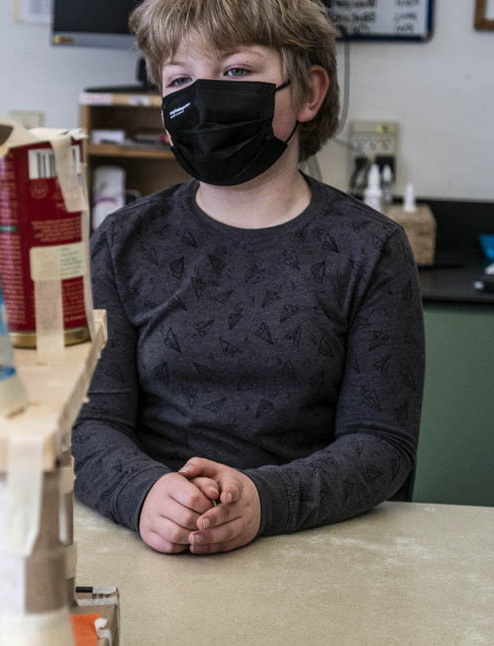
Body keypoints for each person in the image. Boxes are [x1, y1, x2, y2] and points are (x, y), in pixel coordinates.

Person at [72, 0, 426, 555]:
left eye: (237, 72)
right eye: (181, 79)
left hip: (313, 546)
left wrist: (264, 500)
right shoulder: (123, 242)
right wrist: (143, 493)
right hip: (151, 543)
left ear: (308, 93)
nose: (204, 98)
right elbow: (89, 424)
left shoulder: (372, 250)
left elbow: (382, 445)